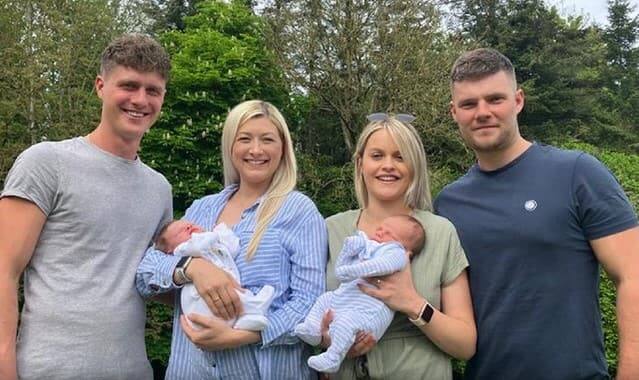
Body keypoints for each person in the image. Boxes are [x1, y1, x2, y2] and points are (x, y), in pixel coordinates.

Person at [435, 47, 639, 379]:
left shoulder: (577, 173)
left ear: (518, 101)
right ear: (453, 112)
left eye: (495, 99)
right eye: (469, 104)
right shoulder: (447, 204)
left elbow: (633, 275)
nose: (482, 112)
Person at [0, 34, 173, 380]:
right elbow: (4, 271)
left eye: (152, 90)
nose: (140, 100)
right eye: (129, 85)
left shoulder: (159, 188)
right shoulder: (46, 163)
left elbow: (153, 281)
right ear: (100, 86)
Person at [136, 100, 327, 379]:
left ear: (283, 148)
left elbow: (309, 302)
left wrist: (242, 335)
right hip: (191, 369)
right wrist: (191, 268)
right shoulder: (202, 208)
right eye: (245, 138)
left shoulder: (299, 211)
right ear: (230, 146)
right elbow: (145, 273)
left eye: (268, 139)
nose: (256, 150)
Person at [324, 113, 476, 379]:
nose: (388, 165)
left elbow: (465, 345)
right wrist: (328, 339)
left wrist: (414, 304)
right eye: (377, 156)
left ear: (414, 166)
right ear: (360, 163)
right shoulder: (330, 229)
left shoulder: (440, 232)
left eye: (400, 156)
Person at [296, 215, 425, 373]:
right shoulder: (368, 246)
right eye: (380, 228)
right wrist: (349, 249)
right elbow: (342, 271)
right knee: (325, 299)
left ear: (407, 250)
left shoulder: (397, 253)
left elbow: (381, 266)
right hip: (346, 298)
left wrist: (355, 269)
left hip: (368, 310)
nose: (380, 232)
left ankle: (333, 358)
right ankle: (312, 328)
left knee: (346, 322)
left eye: (389, 233)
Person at [154, 220, 275, 331]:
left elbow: (233, 248)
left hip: (221, 298)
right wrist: (215, 233)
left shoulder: (213, 245)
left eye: (189, 225)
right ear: (169, 250)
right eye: (181, 231)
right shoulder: (183, 250)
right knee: (231, 293)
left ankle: (245, 319)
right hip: (200, 300)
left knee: (237, 293)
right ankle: (255, 307)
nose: (189, 227)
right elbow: (200, 244)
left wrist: (224, 231)